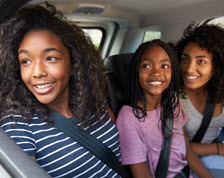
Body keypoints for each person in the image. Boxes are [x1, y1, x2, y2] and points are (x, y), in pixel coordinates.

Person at [0, 3, 121, 177]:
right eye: (25, 61)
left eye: (51, 58)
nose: (38, 72)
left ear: (73, 65)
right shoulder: (18, 126)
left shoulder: (95, 102)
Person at [116, 40, 211, 178]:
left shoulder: (171, 100)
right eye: (146, 66)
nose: (156, 72)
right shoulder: (128, 117)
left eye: (165, 66)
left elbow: (187, 152)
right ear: (136, 71)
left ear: (173, 72)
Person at [176, 23, 224, 173]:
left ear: (216, 67)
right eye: (185, 59)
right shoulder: (174, 97)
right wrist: (220, 148)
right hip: (185, 162)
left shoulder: (220, 91)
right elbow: (179, 147)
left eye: (201, 61)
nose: (189, 68)